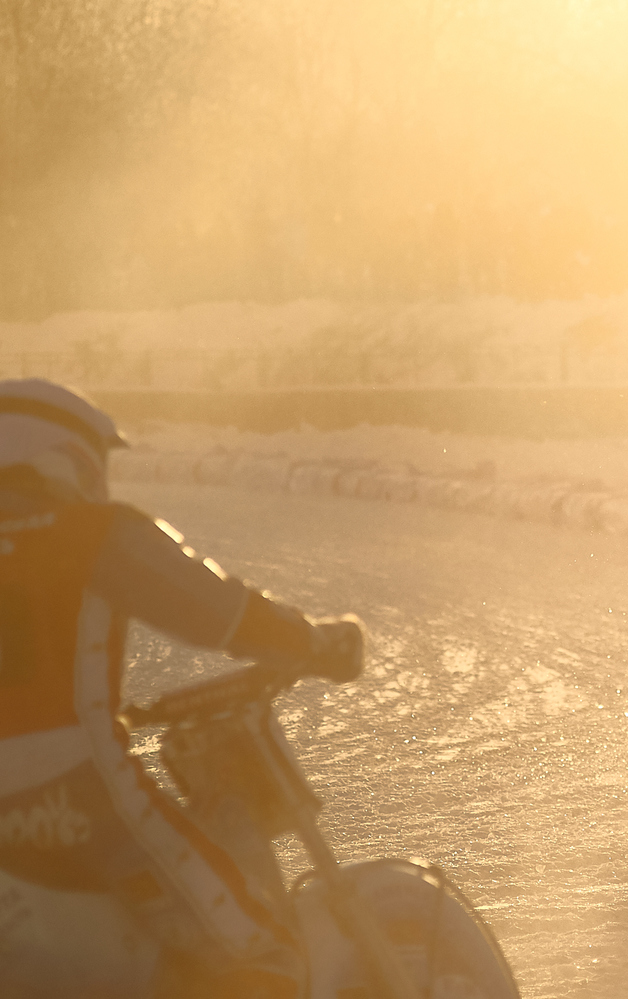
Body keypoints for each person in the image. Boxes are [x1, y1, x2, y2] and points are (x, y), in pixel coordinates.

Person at [0, 378, 362, 998]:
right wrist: (314, 644)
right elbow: (217, 609)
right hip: (84, 793)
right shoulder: (95, 533)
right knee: (257, 945)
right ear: (62, 452)